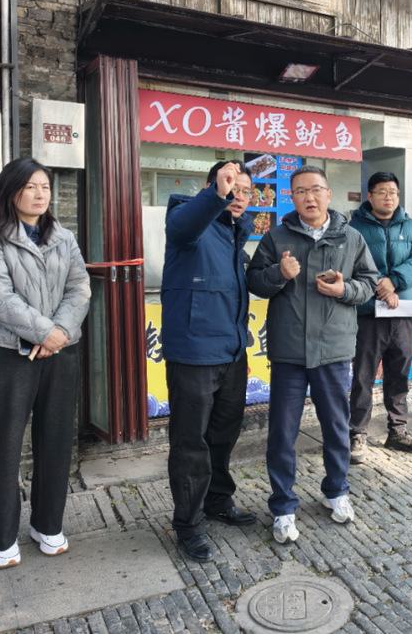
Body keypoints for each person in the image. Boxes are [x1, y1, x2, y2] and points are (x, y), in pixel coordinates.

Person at [0, 157, 91, 569]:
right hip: (8, 354)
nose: (40, 194)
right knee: (3, 445)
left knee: (56, 440)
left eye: (45, 186)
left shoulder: (63, 238)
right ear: (11, 192)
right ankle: (2, 537)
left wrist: (59, 332)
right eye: (30, 187)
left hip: (60, 352)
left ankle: (47, 524)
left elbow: (79, 288)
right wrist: (45, 332)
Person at [246, 165, 377, 544]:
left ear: (328, 194)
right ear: (292, 197)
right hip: (289, 351)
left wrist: (344, 290)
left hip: (333, 349)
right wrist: (279, 273)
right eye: (301, 191)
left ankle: (337, 490)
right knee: (282, 432)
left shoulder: (351, 237)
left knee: (336, 426)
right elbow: (254, 281)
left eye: (316, 189)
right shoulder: (276, 236)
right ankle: (283, 506)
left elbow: (369, 282)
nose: (309, 197)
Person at [161, 160, 257, 562]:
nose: (239, 195)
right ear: (211, 187)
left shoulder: (235, 234)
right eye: (231, 187)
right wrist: (217, 194)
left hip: (232, 353)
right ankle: (188, 523)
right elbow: (185, 226)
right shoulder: (188, 221)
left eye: (246, 190)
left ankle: (218, 499)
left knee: (223, 434)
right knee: (190, 443)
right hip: (194, 352)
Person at [347, 172, 412, 463]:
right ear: (369, 196)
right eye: (382, 191)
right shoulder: (354, 228)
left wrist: (394, 281)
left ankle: (398, 431)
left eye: (393, 192)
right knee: (363, 376)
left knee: (400, 374)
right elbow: (350, 264)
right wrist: (380, 287)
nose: (388, 197)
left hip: (402, 312)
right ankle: (357, 433)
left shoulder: (410, 227)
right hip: (368, 314)